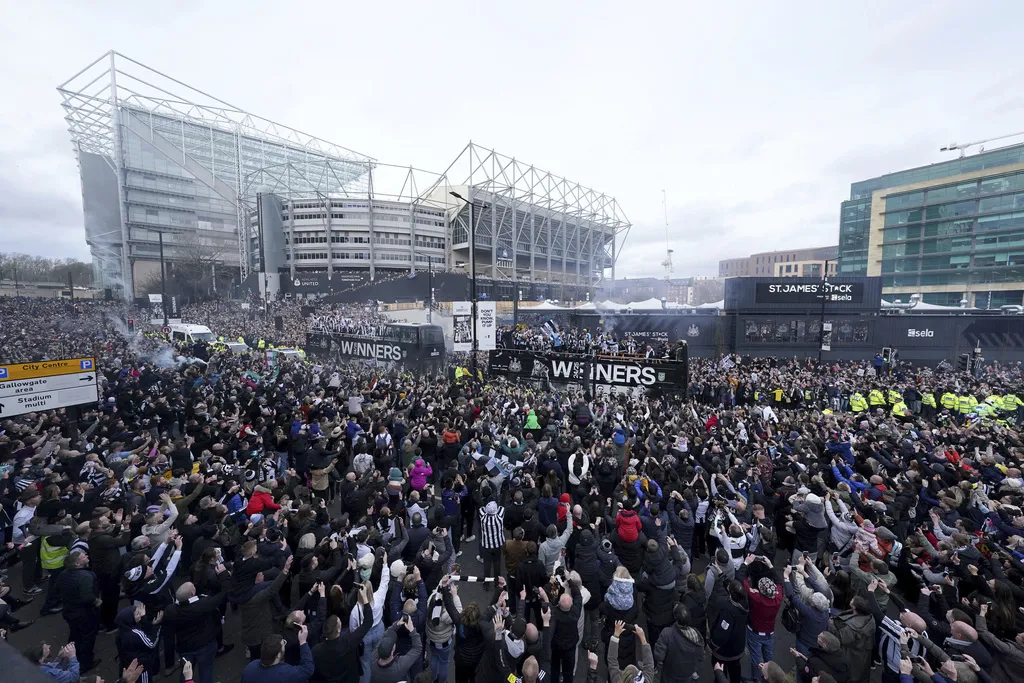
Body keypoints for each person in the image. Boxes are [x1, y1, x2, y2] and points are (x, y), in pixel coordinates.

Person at [311, 583, 373, 683]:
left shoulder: (316, 650)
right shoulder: (349, 641)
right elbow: (368, 622)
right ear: (338, 629)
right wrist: (365, 598)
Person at [56, 550, 102, 673]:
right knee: (88, 637)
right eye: (83, 556)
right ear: (77, 564)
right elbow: (87, 597)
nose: (87, 555)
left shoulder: (63, 574)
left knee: (75, 634)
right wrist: (97, 602)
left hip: (69, 611)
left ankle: (71, 655)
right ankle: (86, 663)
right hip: (85, 613)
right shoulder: (86, 576)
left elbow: (58, 589)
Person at [241, 624, 315, 683]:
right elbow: (308, 669)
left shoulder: (250, 667)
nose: (285, 644)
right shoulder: (287, 674)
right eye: (284, 643)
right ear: (278, 655)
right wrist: (303, 642)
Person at [370, 614, 422, 683]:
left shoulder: (373, 660)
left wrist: (397, 624)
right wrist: (412, 630)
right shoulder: (399, 667)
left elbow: (384, 636)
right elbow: (417, 648)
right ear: (392, 651)